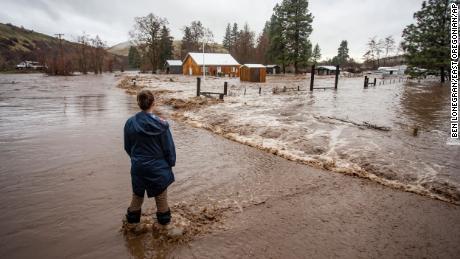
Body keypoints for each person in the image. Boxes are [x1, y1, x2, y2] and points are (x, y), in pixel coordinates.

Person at [123, 90, 176, 227]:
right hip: (158, 167)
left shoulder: (130, 123)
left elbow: (127, 147)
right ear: (153, 103)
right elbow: (169, 149)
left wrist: (136, 159)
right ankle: (164, 230)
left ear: (138, 103)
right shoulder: (162, 125)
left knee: (137, 196)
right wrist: (170, 164)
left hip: (138, 166)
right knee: (161, 197)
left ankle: (132, 227)